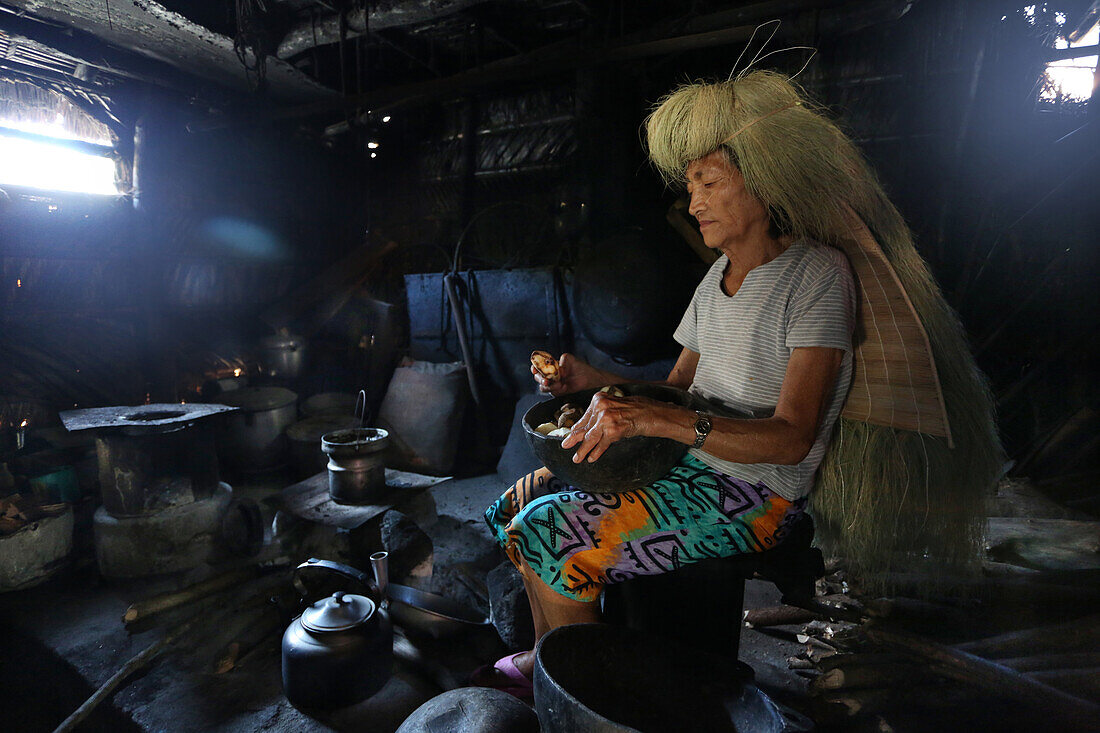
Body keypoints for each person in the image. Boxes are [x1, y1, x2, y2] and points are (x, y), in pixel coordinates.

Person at [472, 69, 859, 698]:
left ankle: (580, 692)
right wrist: (591, 380)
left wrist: (660, 422)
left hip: (758, 496)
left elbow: (792, 439)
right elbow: (672, 393)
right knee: (517, 505)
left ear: (761, 185)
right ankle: (550, 661)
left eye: (709, 184)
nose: (694, 203)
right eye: (690, 187)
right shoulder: (715, 282)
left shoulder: (815, 274)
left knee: (553, 534)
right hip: (689, 466)